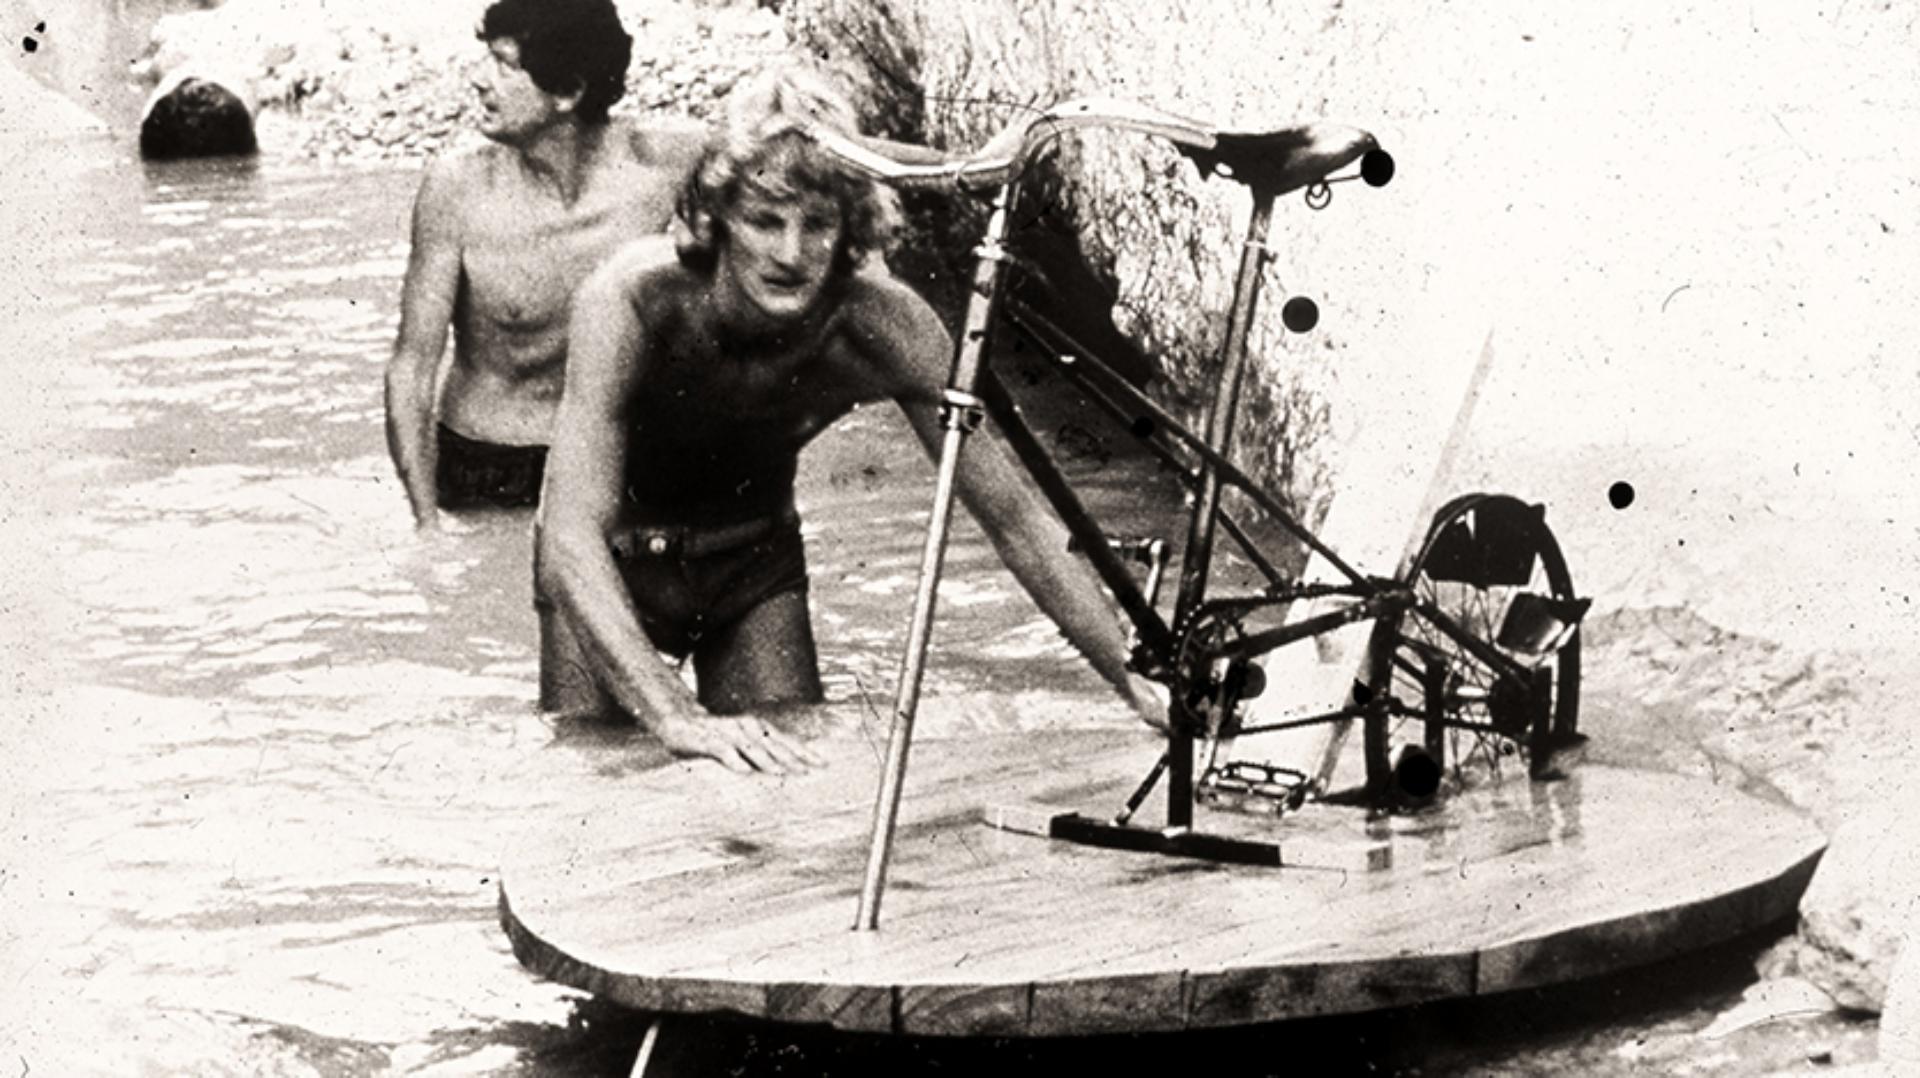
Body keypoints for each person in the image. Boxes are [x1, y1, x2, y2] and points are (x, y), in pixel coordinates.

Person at [534, 65, 1162, 775]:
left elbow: (1015, 516)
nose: (791, 253)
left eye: (818, 224)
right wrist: (675, 716)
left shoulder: (883, 328)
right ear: (718, 218)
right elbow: (567, 533)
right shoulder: (633, 301)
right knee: (596, 785)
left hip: (752, 567)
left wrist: (1136, 674)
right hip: (614, 566)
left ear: (851, 226)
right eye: (764, 221)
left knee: (788, 781)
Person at [384, 0, 705, 526]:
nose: (478, 80)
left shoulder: (663, 164)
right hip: (490, 467)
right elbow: (411, 367)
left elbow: (800, 154)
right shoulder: (456, 189)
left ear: (568, 91)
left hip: (619, 459)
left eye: (505, 65)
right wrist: (426, 525)